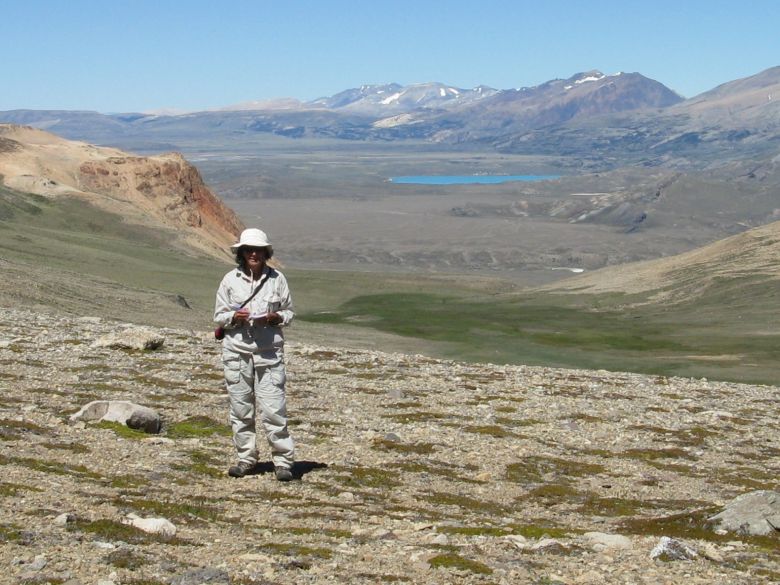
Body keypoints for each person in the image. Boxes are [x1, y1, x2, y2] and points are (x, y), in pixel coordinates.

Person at [214, 228, 295, 481]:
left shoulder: (277, 279)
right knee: (240, 410)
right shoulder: (229, 280)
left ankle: (282, 462)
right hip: (237, 353)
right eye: (248, 250)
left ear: (265, 253)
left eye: (257, 250)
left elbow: (289, 312)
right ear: (241, 253)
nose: (252, 254)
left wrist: (277, 317)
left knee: (274, 410)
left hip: (269, 353)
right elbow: (218, 316)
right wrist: (233, 317)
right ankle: (246, 459)